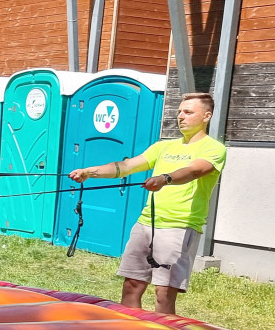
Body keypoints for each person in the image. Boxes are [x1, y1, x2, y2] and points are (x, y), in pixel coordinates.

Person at [68, 92, 226, 315]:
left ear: (206, 116)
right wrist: (89, 172)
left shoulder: (214, 148)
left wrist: (165, 178)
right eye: (179, 111)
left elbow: (194, 170)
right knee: (132, 285)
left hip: (179, 227)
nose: (181, 116)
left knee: (163, 293)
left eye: (188, 112)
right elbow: (126, 166)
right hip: (145, 224)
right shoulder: (164, 147)